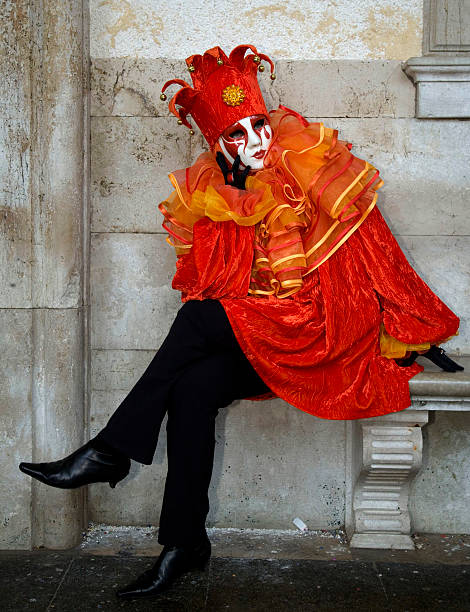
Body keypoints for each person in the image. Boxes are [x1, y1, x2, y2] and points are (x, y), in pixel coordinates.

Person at [19, 44, 463, 601]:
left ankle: (109, 448)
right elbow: (218, 286)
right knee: (191, 387)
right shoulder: (220, 197)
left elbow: (383, 262)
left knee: (199, 319)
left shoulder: (319, 174)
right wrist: (233, 209)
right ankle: (183, 544)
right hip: (266, 339)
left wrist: (412, 330)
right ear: (216, 143)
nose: (256, 142)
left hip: (325, 331)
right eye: (237, 135)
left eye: (258, 125)